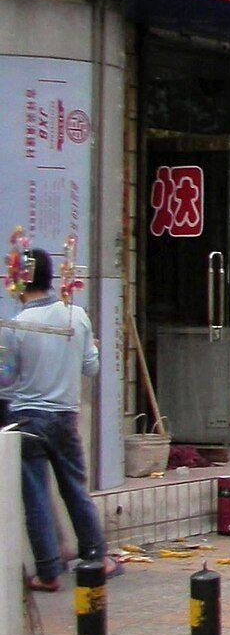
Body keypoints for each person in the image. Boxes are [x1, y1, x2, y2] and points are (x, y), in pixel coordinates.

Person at [2, 250, 117, 591]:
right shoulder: (75, 317)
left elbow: (5, 379)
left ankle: (49, 571)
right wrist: (91, 347)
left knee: (35, 496)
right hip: (65, 418)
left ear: (20, 281)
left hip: (26, 420)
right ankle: (96, 557)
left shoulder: (16, 326)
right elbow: (91, 368)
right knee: (73, 489)